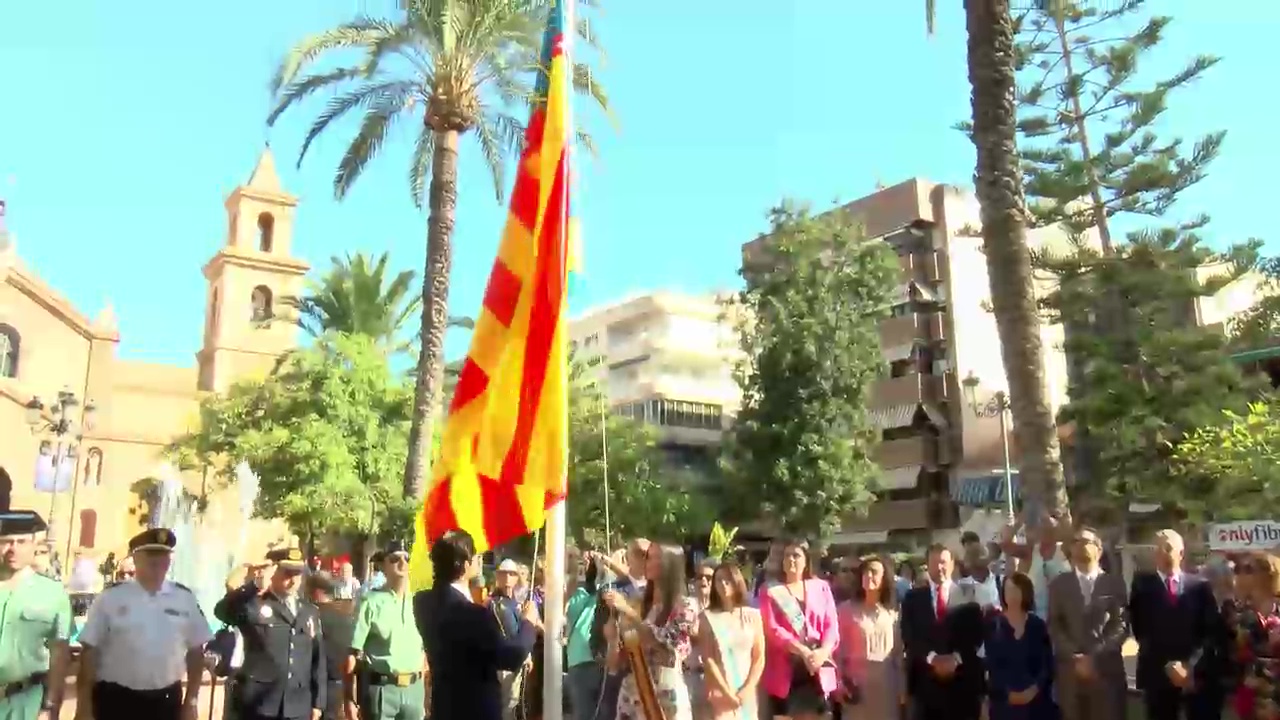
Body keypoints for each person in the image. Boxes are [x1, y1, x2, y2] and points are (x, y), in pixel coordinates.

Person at [75, 527, 211, 720]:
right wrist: (84, 705)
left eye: (164, 556)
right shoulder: (111, 598)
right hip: (116, 700)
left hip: (165, 701)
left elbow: (196, 651)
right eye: (151, 556)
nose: (158, 563)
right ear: (135, 558)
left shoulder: (184, 598)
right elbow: (90, 652)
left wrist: (191, 701)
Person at [414, 529, 538, 720]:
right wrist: (528, 623)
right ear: (465, 566)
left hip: (444, 708)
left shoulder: (422, 603)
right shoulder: (472, 614)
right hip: (475, 709)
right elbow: (511, 657)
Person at [214, 546, 327, 720]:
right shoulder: (255, 604)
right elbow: (222, 611)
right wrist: (253, 586)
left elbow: (317, 660)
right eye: (287, 573)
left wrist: (318, 702)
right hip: (260, 703)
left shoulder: (309, 611)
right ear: (273, 572)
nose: (293, 580)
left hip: (298, 704)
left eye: (298, 573)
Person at [1130, 529, 1224, 720]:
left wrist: (1189, 666)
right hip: (1157, 673)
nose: (1161, 552)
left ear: (1180, 553)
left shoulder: (1200, 587)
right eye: (1156, 548)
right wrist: (1169, 666)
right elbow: (1141, 631)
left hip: (1195, 676)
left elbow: (1210, 631)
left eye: (1167, 548)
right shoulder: (1142, 586)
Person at [603, 542, 698, 720]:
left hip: (664, 698)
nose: (647, 561)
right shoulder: (637, 604)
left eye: (653, 557)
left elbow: (669, 652)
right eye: (646, 556)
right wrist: (613, 639)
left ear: (669, 564)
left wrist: (628, 612)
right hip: (632, 696)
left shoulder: (685, 607)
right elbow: (616, 665)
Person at [1047, 526, 1128, 720]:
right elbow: (1054, 625)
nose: (1080, 545)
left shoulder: (1114, 584)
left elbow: (1121, 626)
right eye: (1076, 542)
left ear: (1099, 551)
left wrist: (1094, 657)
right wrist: (1076, 656)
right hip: (1071, 675)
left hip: (1106, 673)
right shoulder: (1059, 584)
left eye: (1086, 541)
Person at [0, 509, 72, 720]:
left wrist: (50, 707)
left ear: (34, 545)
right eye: (5, 542)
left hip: (25, 702)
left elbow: (59, 655)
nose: (12, 549)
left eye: (21, 542)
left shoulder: (53, 593)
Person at [900, 543, 986, 720]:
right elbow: (909, 635)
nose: (939, 567)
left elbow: (977, 634)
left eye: (943, 562)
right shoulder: (913, 598)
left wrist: (955, 659)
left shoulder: (970, 594)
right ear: (927, 564)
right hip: (926, 687)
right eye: (934, 562)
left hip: (962, 685)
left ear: (953, 564)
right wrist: (933, 659)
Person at [758, 538, 839, 720]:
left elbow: (831, 624)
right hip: (785, 673)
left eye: (796, 555)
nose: (791, 560)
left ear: (806, 560)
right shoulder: (770, 590)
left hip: (817, 670)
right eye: (787, 556)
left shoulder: (821, 587)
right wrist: (802, 650)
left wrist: (822, 652)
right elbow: (772, 628)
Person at [349, 540, 427, 720]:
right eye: (394, 559)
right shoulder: (371, 602)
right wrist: (349, 699)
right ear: (383, 566)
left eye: (406, 559)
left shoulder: (419, 602)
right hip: (383, 690)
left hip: (414, 690)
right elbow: (352, 655)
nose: (402, 563)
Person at [835, 555, 902, 720]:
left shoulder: (893, 613)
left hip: (886, 688)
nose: (869, 576)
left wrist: (903, 687)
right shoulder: (845, 610)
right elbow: (836, 651)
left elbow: (898, 655)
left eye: (874, 572)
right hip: (856, 688)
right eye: (865, 572)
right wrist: (838, 683)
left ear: (884, 578)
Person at [985, 572, 1057, 720]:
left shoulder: (1037, 626)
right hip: (1004, 706)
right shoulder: (993, 626)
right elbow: (991, 667)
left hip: (1037, 704)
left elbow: (1047, 665)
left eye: (1016, 590)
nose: (1012, 595)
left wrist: (1033, 690)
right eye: (1008, 590)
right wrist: (1008, 694)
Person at [698, 562, 764, 720]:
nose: (723, 584)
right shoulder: (707, 618)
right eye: (719, 580)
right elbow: (708, 659)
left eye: (727, 579)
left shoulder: (752, 616)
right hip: (721, 691)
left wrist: (746, 690)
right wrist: (727, 693)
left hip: (746, 691)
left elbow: (759, 657)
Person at [306, 572, 355, 720]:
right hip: (340, 682)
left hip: (314, 683)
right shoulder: (346, 616)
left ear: (315, 591)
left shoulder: (312, 615)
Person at [566, 556, 604, 720]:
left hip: (602, 660)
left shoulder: (608, 593)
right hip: (580, 661)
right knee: (583, 713)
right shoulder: (576, 594)